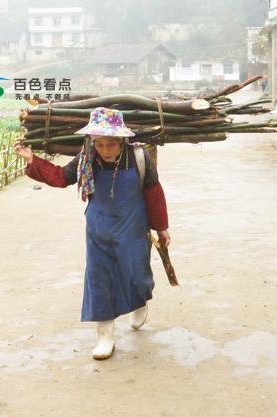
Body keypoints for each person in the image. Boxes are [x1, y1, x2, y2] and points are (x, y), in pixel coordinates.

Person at [13, 106, 170, 361]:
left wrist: (161, 227)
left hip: (133, 228)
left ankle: (139, 300)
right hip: (99, 230)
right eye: (100, 144)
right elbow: (61, 177)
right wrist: (32, 159)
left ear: (122, 140)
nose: (105, 150)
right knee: (99, 279)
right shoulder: (86, 157)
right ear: (92, 141)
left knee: (137, 274)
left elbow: (153, 192)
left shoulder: (140, 157)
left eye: (111, 144)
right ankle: (105, 335)